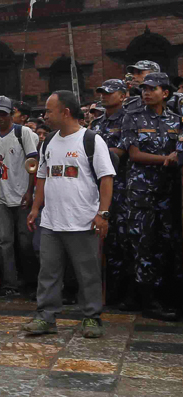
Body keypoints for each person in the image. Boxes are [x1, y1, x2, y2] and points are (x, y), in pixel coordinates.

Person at [25, 91, 113, 338]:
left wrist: (102, 214)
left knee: (88, 273)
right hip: (51, 222)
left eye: (49, 111)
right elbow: (42, 176)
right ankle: (46, 317)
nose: (45, 116)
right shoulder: (48, 141)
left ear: (65, 112)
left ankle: (91, 318)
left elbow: (106, 178)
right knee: (48, 272)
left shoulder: (91, 141)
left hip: (83, 221)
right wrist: (35, 208)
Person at [117, 72, 182, 320]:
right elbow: (134, 154)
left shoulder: (177, 120)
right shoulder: (133, 118)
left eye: (152, 88)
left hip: (167, 192)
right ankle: (146, 299)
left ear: (165, 93)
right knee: (142, 242)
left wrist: (176, 156)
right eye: (143, 88)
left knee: (165, 242)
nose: (146, 92)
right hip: (141, 193)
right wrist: (166, 159)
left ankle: (163, 294)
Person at [0, 95, 40, 297]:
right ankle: (9, 284)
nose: (0, 118)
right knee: (4, 242)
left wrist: (30, 192)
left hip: (22, 195)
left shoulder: (24, 133)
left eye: (4, 114)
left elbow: (33, 165)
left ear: (11, 114)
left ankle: (31, 281)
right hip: (2, 197)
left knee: (25, 242)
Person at [92, 79, 131, 305]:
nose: (104, 96)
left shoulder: (128, 119)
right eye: (102, 92)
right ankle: (106, 294)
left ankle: (124, 295)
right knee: (103, 243)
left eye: (109, 92)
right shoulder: (96, 123)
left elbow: (122, 151)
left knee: (122, 242)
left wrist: (95, 155)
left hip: (123, 188)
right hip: (98, 188)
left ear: (123, 95)